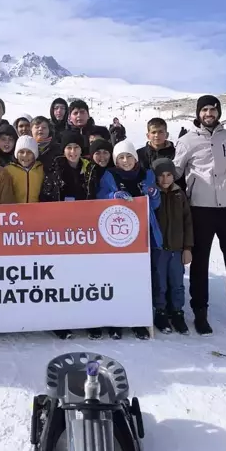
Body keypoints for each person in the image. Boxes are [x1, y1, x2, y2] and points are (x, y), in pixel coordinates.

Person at [173, 95, 226, 336]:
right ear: (198, 113)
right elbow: (175, 171)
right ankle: (200, 312)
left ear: (218, 112)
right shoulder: (186, 141)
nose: (209, 113)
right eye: (204, 109)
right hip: (200, 209)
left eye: (213, 109)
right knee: (200, 263)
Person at [40, 131, 103, 341]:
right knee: (62, 278)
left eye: (76, 148)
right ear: (63, 149)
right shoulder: (54, 170)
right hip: (59, 233)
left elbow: (95, 198)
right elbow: (45, 200)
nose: (73, 152)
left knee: (85, 279)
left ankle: (90, 320)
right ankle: (61, 322)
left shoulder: (90, 169)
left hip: (85, 233)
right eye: (69, 148)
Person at [97, 139, 163, 341]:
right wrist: (113, 195)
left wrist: (153, 193)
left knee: (141, 279)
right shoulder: (111, 175)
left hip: (144, 232)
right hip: (119, 235)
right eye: (121, 157)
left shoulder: (147, 174)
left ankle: (138, 320)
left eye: (129, 156)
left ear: (135, 158)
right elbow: (100, 198)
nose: (125, 161)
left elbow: (156, 203)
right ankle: (116, 320)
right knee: (118, 277)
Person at [151, 158, 193, 335]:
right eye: (161, 176)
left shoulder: (179, 194)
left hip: (176, 248)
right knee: (159, 282)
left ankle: (177, 312)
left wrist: (187, 247)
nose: (165, 179)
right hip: (159, 250)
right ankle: (160, 312)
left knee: (177, 283)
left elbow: (187, 221)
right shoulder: (152, 195)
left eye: (168, 175)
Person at [137, 117, 185, 190]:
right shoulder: (139, 154)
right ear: (148, 135)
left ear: (167, 134)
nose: (157, 135)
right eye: (153, 132)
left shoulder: (176, 153)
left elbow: (181, 177)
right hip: (148, 196)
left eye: (160, 132)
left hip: (171, 196)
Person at [6, 136, 44, 203]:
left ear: (34, 154)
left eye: (29, 152)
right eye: (21, 152)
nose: (25, 155)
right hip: (15, 211)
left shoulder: (41, 169)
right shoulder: (8, 170)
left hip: (37, 209)